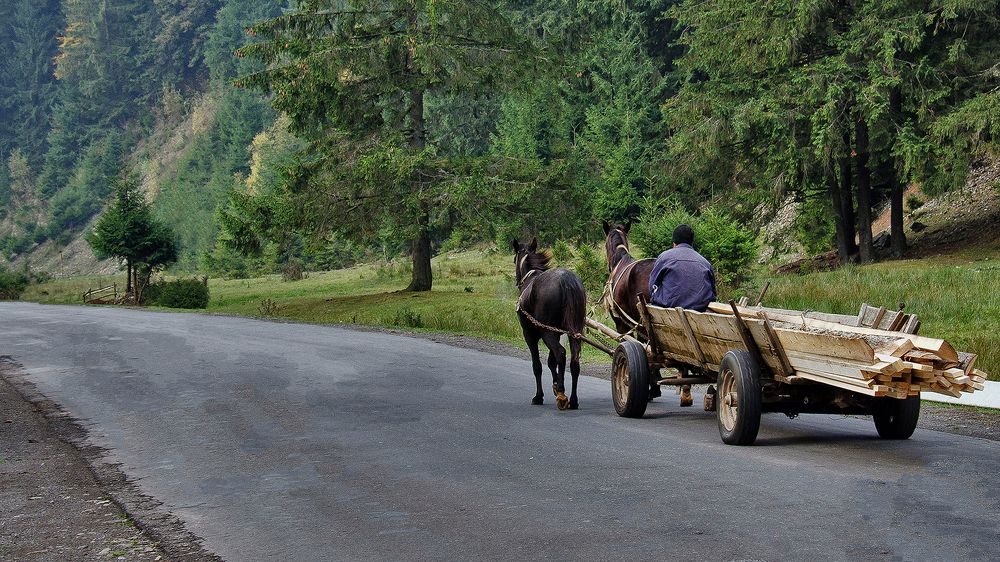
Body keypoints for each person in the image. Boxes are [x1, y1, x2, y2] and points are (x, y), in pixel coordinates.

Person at [648, 224, 716, 312]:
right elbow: (713, 293)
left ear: (673, 242)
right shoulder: (705, 263)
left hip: (669, 311)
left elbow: (652, 286)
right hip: (700, 312)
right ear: (692, 242)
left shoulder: (664, 257)